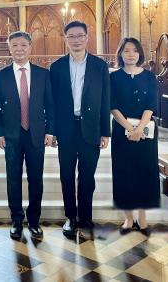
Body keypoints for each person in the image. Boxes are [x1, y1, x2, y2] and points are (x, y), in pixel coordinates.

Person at [49, 20, 110, 238]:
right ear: (65, 39)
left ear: (86, 37)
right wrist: (52, 131)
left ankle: (85, 217)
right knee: (66, 175)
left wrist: (105, 131)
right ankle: (70, 217)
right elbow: (52, 102)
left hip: (90, 129)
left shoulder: (100, 66)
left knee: (87, 177)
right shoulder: (56, 67)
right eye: (71, 36)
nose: (76, 40)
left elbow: (105, 100)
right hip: (66, 129)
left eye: (79, 36)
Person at [0, 31, 55, 240]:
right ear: (9, 48)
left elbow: (51, 105)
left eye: (23, 45)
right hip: (11, 135)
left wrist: (50, 131)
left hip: (37, 134)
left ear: (30, 47)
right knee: (13, 179)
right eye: (15, 46)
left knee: (36, 179)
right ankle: (17, 221)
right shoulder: (1, 75)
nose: (19, 49)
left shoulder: (43, 74)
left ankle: (35, 221)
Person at [110, 37, 159, 237]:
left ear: (140, 54)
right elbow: (112, 106)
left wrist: (139, 128)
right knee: (124, 173)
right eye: (126, 50)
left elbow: (151, 105)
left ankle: (143, 217)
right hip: (122, 133)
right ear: (120, 54)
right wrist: (130, 128)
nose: (131, 54)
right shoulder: (114, 78)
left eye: (134, 50)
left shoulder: (149, 77)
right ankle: (128, 218)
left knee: (145, 173)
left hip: (145, 133)